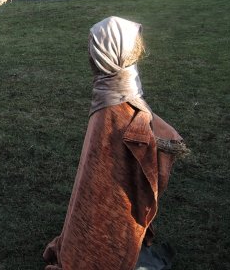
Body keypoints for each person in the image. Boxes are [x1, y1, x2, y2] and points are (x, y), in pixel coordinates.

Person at [42, 16, 189, 270]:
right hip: (117, 207)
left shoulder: (109, 89)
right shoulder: (119, 105)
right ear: (117, 53)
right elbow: (146, 167)